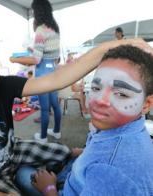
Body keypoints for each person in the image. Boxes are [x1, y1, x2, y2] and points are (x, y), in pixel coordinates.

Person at [0, 32, 151, 195]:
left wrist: (117, 45)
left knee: (63, 151)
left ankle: (68, 156)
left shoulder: (2, 84)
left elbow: (57, 79)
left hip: (12, 151)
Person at [32, 45, 153, 196]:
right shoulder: (120, 128)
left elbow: (110, 165)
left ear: (146, 104)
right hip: (74, 173)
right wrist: (85, 152)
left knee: (23, 173)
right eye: (96, 88)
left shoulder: (111, 171)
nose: (99, 101)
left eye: (121, 94)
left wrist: (49, 188)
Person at [10, 0, 62, 142]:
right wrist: (34, 50)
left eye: (33, 10)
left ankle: (43, 137)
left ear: (38, 11)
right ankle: (57, 131)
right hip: (53, 70)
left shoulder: (40, 30)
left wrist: (16, 60)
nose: (32, 13)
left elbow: (37, 60)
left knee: (44, 108)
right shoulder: (54, 28)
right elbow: (52, 53)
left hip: (43, 72)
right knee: (55, 104)